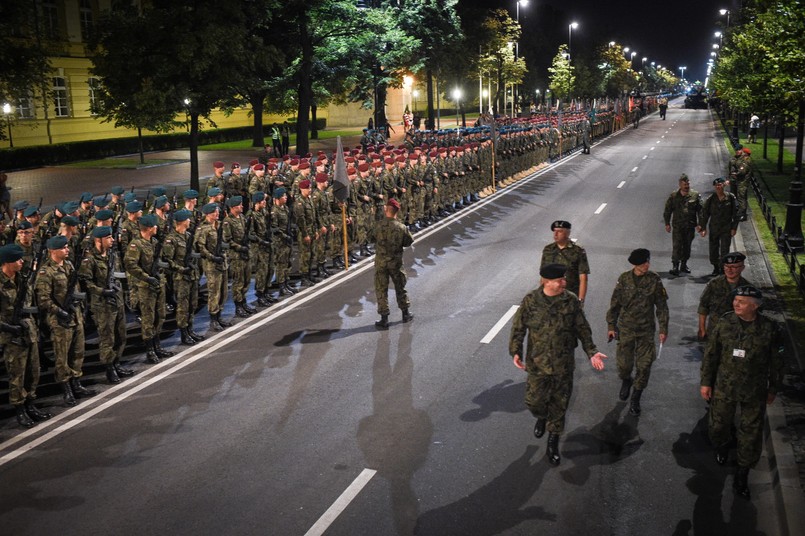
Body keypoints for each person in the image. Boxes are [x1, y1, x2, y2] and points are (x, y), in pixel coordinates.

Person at [509, 263, 607, 466]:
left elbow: (582, 328)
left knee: (560, 405)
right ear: (546, 281)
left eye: (564, 279)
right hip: (537, 364)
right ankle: (541, 416)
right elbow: (518, 328)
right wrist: (516, 351)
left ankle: (552, 441)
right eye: (560, 280)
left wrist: (592, 351)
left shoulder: (570, 301)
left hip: (563, 365)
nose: (565, 282)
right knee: (533, 402)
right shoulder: (531, 301)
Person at [700, 285, 784, 499]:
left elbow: (777, 361)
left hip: (754, 391)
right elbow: (711, 354)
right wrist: (706, 382)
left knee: (750, 436)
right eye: (735, 300)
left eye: (742, 301)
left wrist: (773, 387)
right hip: (724, 387)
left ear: (755, 307)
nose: (736, 304)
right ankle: (723, 444)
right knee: (718, 426)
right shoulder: (725, 323)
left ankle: (742, 474)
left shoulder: (769, 329)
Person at [606, 248, 669, 415]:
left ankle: (636, 397)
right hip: (626, 329)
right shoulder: (624, 279)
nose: (646, 265)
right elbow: (614, 305)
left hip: (646, 330)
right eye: (643, 263)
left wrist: (663, 328)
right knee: (624, 365)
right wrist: (611, 326)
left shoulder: (654, 280)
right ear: (635, 264)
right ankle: (626, 380)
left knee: (644, 365)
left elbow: (662, 306)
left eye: (648, 262)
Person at [35, 235, 94, 406]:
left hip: (75, 316)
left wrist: (80, 311)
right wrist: (60, 312)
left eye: (67, 247)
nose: (67, 250)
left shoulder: (68, 265)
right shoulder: (46, 272)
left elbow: (76, 290)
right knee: (62, 356)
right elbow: (44, 300)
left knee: (77, 352)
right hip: (59, 320)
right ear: (53, 251)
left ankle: (76, 383)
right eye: (63, 248)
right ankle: (66, 389)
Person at [0, 243, 51, 427]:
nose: (22, 262)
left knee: (33, 372)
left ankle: (31, 404)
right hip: (11, 337)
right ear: (7, 262)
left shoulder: (22, 279)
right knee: (17, 376)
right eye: (18, 259)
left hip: (29, 332)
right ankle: (20, 409)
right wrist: (8, 327)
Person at [79, 225, 132, 383]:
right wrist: (102, 291)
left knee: (120, 335)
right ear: (98, 240)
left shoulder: (112, 255)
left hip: (117, 300)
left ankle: (117, 362)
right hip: (102, 304)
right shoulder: (90, 260)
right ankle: (109, 368)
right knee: (107, 338)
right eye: (108, 238)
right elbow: (86, 282)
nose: (112, 240)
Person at [124, 214, 173, 363]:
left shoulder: (154, 242)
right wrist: (147, 277)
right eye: (155, 226)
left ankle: (157, 345)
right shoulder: (136, 245)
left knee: (160, 315)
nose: (157, 228)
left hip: (158, 284)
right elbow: (130, 265)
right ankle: (150, 350)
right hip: (145, 287)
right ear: (149, 228)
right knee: (148, 319)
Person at [373, 199, 414, 329]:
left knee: (381, 289)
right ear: (397, 211)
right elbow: (408, 242)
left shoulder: (378, 226)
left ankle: (384, 319)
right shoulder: (401, 227)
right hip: (396, 263)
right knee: (400, 287)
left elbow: (368, 238)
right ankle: (405, 313)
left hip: (381, 263)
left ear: (386, 210)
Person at [697, 252, 750, 340]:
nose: (729, 270)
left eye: (733, 267)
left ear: (742, 268)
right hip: (715, 331)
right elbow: (703, 306)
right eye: (726, 266)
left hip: (737, 334)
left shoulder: (748, 288)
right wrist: (702, 328)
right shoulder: (714, 284)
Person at [196, 203, 232, 331]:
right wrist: (212, 257)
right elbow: (201, 247)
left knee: (223, 291)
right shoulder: (203, 229)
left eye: (217, 211)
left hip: (222, 262)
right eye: (214, 212)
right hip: (211, 265)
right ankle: (213, 319)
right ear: (208, 214)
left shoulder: (219, 225)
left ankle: (219, 316)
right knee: (214, 292)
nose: (217, 214)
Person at [540, 220, 589, 304]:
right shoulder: (548, 249)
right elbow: (543, 276)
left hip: (570, 297)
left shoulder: (578, 251)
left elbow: (583, 277)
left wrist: (581, 300)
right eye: (554, 231)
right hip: (551, 296)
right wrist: (541, 295)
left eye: (559, 231)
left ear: (567, 233)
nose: (555, 234)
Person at [663, 174, 702, 275]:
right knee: (677, 246)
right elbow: (668, 210)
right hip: (678, 226)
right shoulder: (674, 196)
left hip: (690, 226)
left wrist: (700, 224)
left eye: (688, 184)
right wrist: (667, 223)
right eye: (684, 184)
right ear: (680, 184)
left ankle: (684, 265)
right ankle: (675, 266)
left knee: (687, 246)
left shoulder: (695, 195)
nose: (687, 186)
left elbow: (701, 211)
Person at [699, 177, 738, 276]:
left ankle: (722, 268)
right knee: (713, 248)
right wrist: (703, 228)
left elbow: (736, 213)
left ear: (724, 185)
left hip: (726, 228)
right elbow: (705, 213)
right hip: (714, 228)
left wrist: (734, 227)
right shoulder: (711, 199)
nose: (718, 187)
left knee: (725, 249)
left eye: (720, 185)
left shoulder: (731, 197)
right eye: (716, 186)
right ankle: (715, 267)